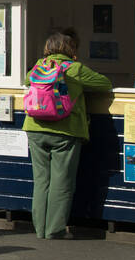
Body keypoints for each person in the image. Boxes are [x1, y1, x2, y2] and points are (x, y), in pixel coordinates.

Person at [22, 30, 113, 239]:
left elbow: (28, 81)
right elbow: (105, 84)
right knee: (61, 182)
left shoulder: (38, 67)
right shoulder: (75, 69)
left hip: (35, 128)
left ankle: (40, 229)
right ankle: (54, 229)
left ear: (47, 49)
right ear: (71, 50)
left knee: (41, 180)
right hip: (65, 130)